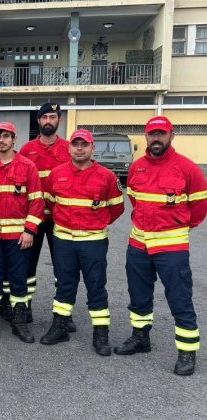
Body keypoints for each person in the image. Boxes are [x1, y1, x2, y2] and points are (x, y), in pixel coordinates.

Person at [114, 116, 207, 376]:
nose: (156, 139)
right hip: (138, 245)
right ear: (146, 136)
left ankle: (187, 352)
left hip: (172, 249)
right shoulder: (138, 168)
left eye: (161, 134)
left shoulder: (188, 169)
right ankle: (140, 338)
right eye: (152, 134)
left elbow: (199, 210)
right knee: (139, 295)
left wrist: (176, 228)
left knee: (180, 299)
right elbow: (134, 199)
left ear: (171, 135)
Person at [39, 129, 124, 355]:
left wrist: (97, 223)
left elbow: (116, 208)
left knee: (96, 287)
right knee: (64, 285)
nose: (79, 148)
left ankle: (101, 333)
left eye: (84, 145)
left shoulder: (106, 176)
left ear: (92, 148)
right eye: (75, 144)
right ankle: (60, 327)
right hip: (64, 240)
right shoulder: (56, 174)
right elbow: (49, 201)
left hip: (93, 242)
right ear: (69, 148)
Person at [0, 122, 43, 343]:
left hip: (18, 237)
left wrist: (30, 231)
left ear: (14, 140)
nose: (2, 140)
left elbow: (37, 201)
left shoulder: (28, 167)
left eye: (6, 136)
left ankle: (19, 322)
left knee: (18, 280)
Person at [19, 102, 72, 330]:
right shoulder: (26, 150)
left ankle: (64, 314)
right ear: (38, 121)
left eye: (52, 117)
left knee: (63, 268)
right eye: (44, 117)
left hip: (60, 220)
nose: (48, 121)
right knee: (27, 266)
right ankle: (26, 307)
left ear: (59, 120)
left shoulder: (70, 148)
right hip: (34, 219)